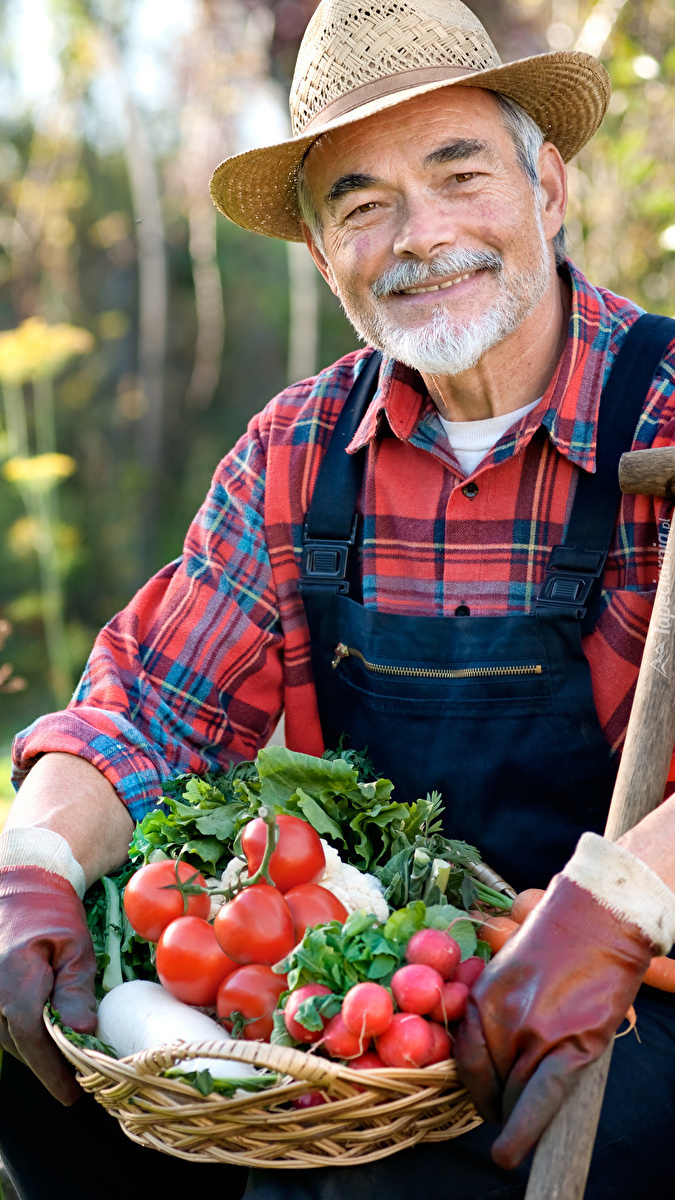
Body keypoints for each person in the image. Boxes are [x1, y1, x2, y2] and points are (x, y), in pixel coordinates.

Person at [2, 0, 675, 1197]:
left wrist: (617, 908)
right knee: (24, 1053)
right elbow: (148, 711)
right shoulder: (299, 453)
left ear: (551, 189)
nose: (421, 235)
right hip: (367, 992)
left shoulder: (665, 418)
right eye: (364, 204)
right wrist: (39, 858)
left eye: (458, 172)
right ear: (324, 257)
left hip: (630, 989)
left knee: (386, 1185)